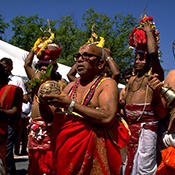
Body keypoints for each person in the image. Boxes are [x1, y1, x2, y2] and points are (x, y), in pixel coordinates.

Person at [39, 43, 130, 175]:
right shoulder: (69, 87)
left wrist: (71, 104)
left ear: (100, 64)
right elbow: (50, 119)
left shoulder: (107, 84)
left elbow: (107, 116)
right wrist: (42, 103)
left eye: (87, 56)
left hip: (93, 155)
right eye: (78, 56)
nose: (80, 60)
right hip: (66, 153)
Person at [123, 20, 166, 175]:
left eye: (141, 58)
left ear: (149, 62)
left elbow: (154, 55)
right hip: (129, 129)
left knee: (144, 169)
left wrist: (148, 32)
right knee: (126, 165)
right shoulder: (131, 81)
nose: (137, 61)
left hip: (147, 130)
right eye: (136, 58)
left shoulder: (154, 77)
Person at [24, 35, 62, 175]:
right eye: (40, 66)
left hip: (50, 126)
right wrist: (36, 48)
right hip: (34, 126)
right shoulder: (35, 82)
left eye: (46, 66)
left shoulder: (60, 84)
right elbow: (27, 64)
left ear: (54, 67)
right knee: (34, 161)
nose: (42, 69)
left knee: (50, 162)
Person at [0, 57, 28, 174]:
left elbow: (23, 100)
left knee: (6, 151)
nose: (4, 69)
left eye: (5, 66)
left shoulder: (16, 82)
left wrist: (2, 111)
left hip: (8, 124)